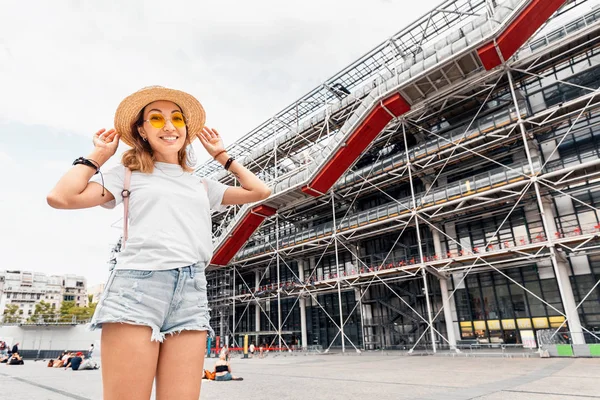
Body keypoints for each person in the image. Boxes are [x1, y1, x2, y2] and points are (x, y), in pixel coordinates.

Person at [47, 86, 270, 400]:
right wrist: (96, 157)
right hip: (138, 286)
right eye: (157, 118)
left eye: (177, 119)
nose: (169, 126)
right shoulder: (125, 174)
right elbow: (61, 198)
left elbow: (260, 191)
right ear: (141, 130)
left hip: (192, 289)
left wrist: (222, 156)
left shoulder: (200, 184)